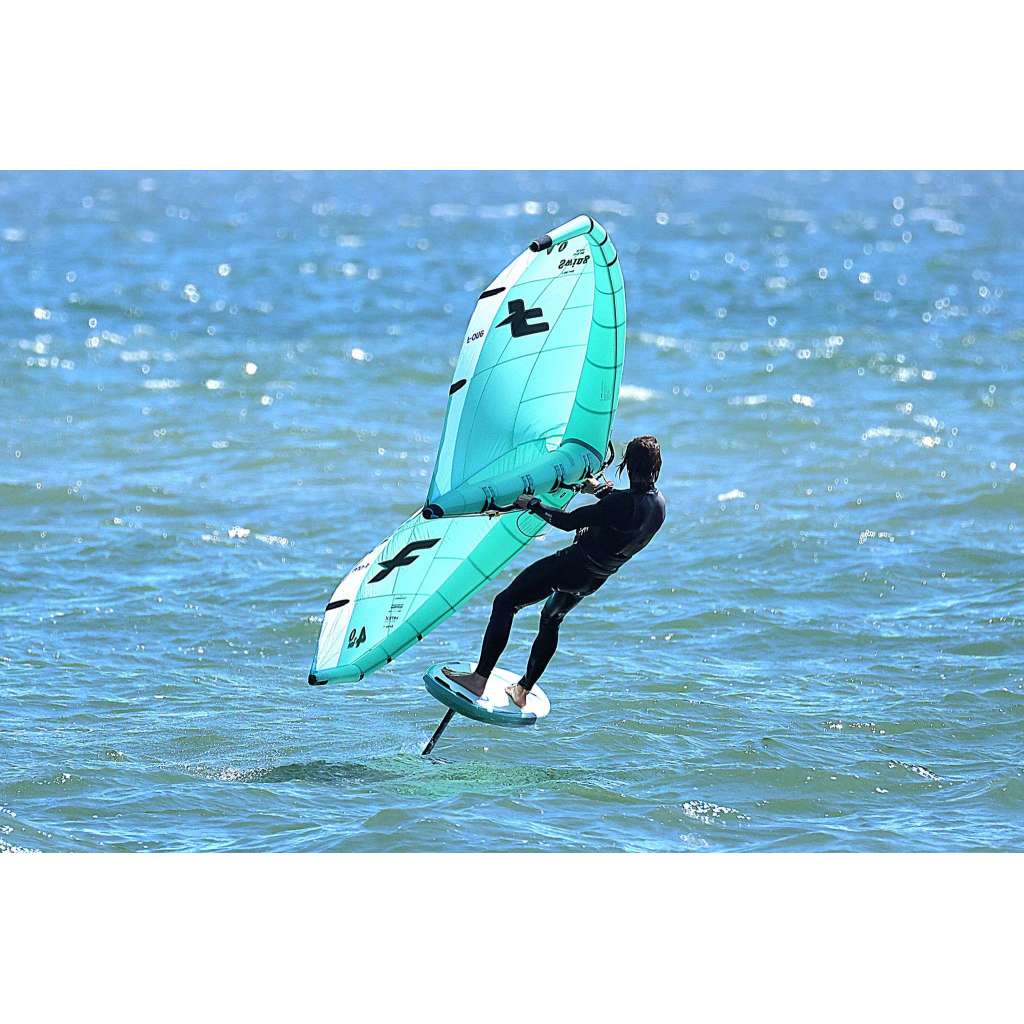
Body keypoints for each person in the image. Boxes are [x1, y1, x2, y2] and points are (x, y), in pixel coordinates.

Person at [443, 435, 667, 707]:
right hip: (594, 579)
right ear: (657, 466)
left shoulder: (621, 504)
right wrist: (599, 490)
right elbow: (624, 510)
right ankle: (522, 690)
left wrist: (533, 505)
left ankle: (479, 679)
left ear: (628, 465)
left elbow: (568, 522)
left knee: (505, 602)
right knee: (551, 618)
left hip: (571, 566)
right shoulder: (659, 505)